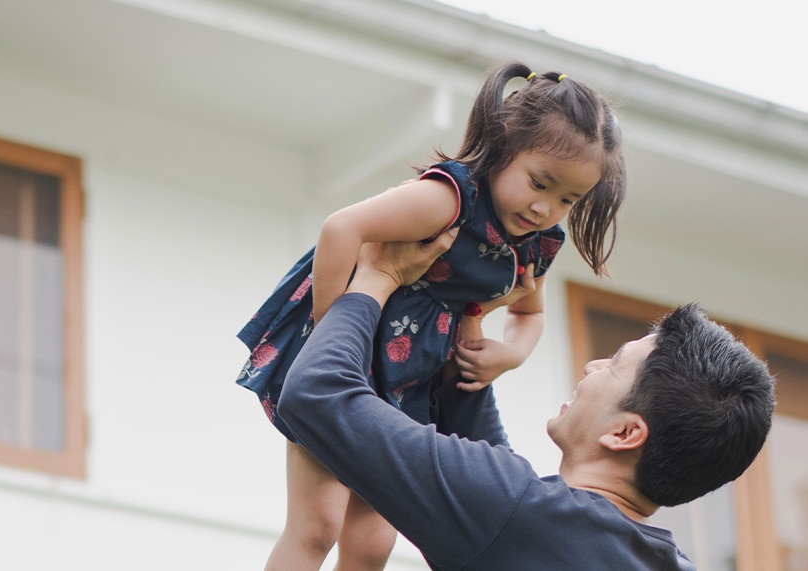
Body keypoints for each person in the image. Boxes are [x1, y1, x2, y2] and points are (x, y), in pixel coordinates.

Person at [237, 61, 625, 569]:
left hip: (408, 381)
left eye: (567, 200)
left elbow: (529, 312)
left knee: (374, 543)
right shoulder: (447, 199)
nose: (545, 209)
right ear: (504, 145)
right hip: (347, 346)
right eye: (539, 183)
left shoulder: (535, 244)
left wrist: (507, 356)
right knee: (316, 527)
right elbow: (340, 230)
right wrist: (331, 334)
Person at [275, 234, 775, 570]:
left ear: (624, 433)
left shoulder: (516, 514)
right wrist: (465, 336)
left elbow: (315, 394)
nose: (591, 367)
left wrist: (376, 279)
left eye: (614, 364)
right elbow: (504, 497)